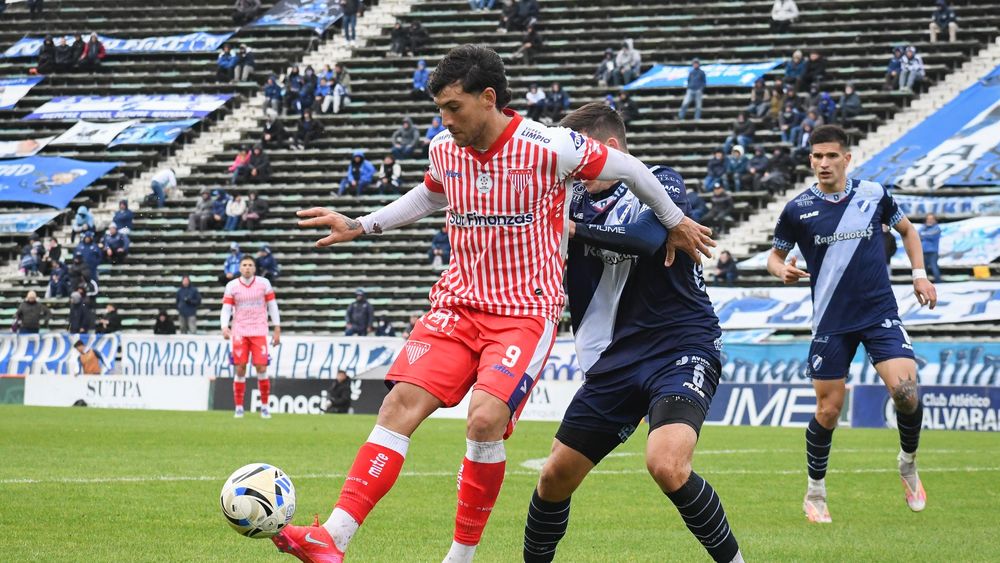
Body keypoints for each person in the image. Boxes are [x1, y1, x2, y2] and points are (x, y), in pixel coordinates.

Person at [274, 44, 714, 563]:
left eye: (453, 107)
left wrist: (674, 220)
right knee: (396, 406)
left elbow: (634, 170)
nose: (445, 119)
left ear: (488, 98)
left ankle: (460, 557)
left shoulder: (549, 146)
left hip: (523, 313)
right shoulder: (444, 147)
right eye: (439, 108)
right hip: (457, 305)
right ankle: (334, 537)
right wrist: (361, 224)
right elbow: (430, 194)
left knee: (484, 421)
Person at [522, 102, 742, 563]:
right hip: (613, 360)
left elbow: (644, 239)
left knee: (666, 464)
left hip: (681, 345)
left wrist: (571, 228)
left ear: (610, 149)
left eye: (581, 159)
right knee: (554, 478)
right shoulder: (569, 199)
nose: (575, 172)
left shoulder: (659, 180)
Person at [767, 124, 936, 524]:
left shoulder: (873, 195)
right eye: (816, 156)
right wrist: (781, 271)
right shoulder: (797, 209)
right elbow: (774, 257)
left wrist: (919, 274)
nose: (822, 163)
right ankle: (816, 491)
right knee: (829, 411)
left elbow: (908, 231)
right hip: (830, 321)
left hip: (880, 314)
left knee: (907, 393)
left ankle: (908, 463)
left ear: (847, 158)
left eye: (830, 156)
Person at [222, 256, 282, 418]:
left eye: (250, 265)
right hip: (240, 332)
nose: (247, 267)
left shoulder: (264, 284)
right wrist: (224, 326)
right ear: (240, 268)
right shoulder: (232, 286)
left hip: (259, 331)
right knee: (240, 367)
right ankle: (239, 407)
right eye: (244, 265)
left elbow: (272, 307)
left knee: (261, 367)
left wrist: (277, 328)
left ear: (254, 268)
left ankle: (264, 406)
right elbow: (226, 309)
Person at [919, 214, 942, 283]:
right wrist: (924, 233)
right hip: (923, 251)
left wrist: (923, 234)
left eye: (931, 219)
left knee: (934, 267)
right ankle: (924, 283)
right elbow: (918, 234)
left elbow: (931, 236)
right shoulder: (923, 227)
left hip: (933, 252)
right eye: (928, 219)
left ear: (935, 220)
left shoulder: (937, 228)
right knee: (923, 269)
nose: (929, 220)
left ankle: (939, 283)